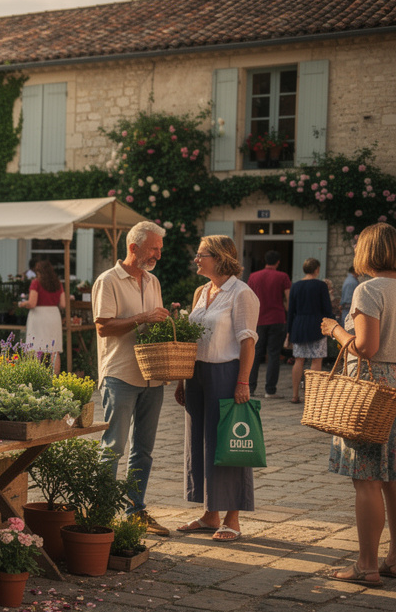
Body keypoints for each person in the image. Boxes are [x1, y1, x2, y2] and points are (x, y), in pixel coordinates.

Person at [322, 223, 396, 585]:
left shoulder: (369, 290)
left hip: (372, 388)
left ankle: (366, 565)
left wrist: (335, 330)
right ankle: (394, 558)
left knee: (367, 478)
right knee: (393, 477)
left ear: (367, 252)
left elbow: (366, 348)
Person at [175, 235, 259, 543]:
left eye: (201, 254)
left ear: (220, 257)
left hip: (226, 373)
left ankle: (232, 518)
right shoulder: (201, 291)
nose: (196, 259)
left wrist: (243, 381)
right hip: (197, 373)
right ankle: (210, 514)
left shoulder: (242, 293)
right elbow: (191, 338)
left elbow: (247, 341)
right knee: (198, 442)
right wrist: (183, 378)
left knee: (228, 444)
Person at [93, 220, 171, 535]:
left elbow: (155, 325)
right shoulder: (108, 280)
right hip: (120, 374)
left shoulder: (153, 282)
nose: (158, 255)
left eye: (160, 249)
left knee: (144, 449)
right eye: (154, 248)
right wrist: (142, 317)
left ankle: (135, 511)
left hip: (152, 376)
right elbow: (102, 327)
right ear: (134, 247)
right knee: (113, 447)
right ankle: (100, 514)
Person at [286, 257, 334, 404]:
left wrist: (289, 330)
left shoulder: (296, 286)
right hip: (317, 325)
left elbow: (291, 310)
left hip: (299, 325)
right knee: (316, 360)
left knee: (298, 361)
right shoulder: (320, 286)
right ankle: (312, 396)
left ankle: (295, 395)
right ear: (316, 269)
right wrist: (332, 323)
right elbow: (327, 308)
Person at [247, 250, 291, 398]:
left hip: (258, 319)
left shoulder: (253, 277)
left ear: (264, 260)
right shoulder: (282, 276)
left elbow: (248, 299)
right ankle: (270, 390)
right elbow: (288, 299)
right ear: (278, 262)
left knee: (255, 353)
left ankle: (250, 388)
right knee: (273, 355)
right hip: (277, 318)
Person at [20, 260, 67, 373]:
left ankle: (36, 378)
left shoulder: (36, 283)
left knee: (35, 348)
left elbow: (32, 303)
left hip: (39, 316)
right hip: (53, 316)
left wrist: (22, 304)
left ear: (38, 272)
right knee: (54, 350)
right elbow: (63, 304)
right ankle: (55, 378)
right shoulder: (58, 284)